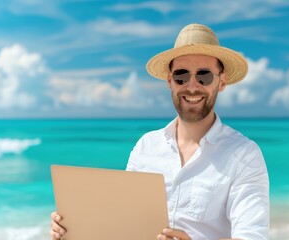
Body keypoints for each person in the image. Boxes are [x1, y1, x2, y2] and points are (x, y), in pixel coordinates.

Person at [50, 23, 269, 240]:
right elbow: (122, 223)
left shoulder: (244, 155)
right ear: (169, 81)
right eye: (181, 75)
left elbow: (252, 236)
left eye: (204, 76)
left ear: (221, 82)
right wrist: (72, 230)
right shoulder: (146, 146)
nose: (192, 86)